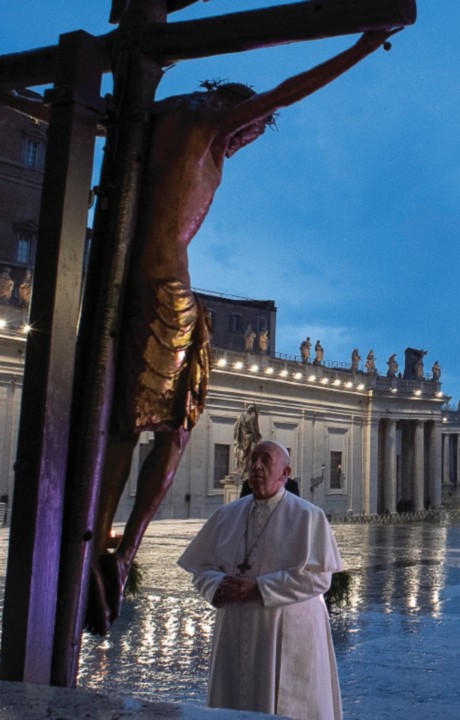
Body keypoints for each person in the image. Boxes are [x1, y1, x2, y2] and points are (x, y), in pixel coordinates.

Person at [86, 29, 398, 635]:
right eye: (252, 130)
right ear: (236, 110)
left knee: (124, 424)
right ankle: (121, 552)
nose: (247, 140)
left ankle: (94, 536)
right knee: (172, 430)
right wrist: (367, 41)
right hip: (165, 292)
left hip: (121, 287)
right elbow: (291, 87)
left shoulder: (153, 119)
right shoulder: (209, 122)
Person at [178, 441, 344, 718]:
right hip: (233, 627)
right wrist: (216, 586)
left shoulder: (308, 517)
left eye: (265, 461)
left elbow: (319, 577)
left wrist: (260, 588)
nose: (256, 467)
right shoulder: (226, 515)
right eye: (253, 460)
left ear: (284, 472)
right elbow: (201, 567)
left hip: (285, 628)